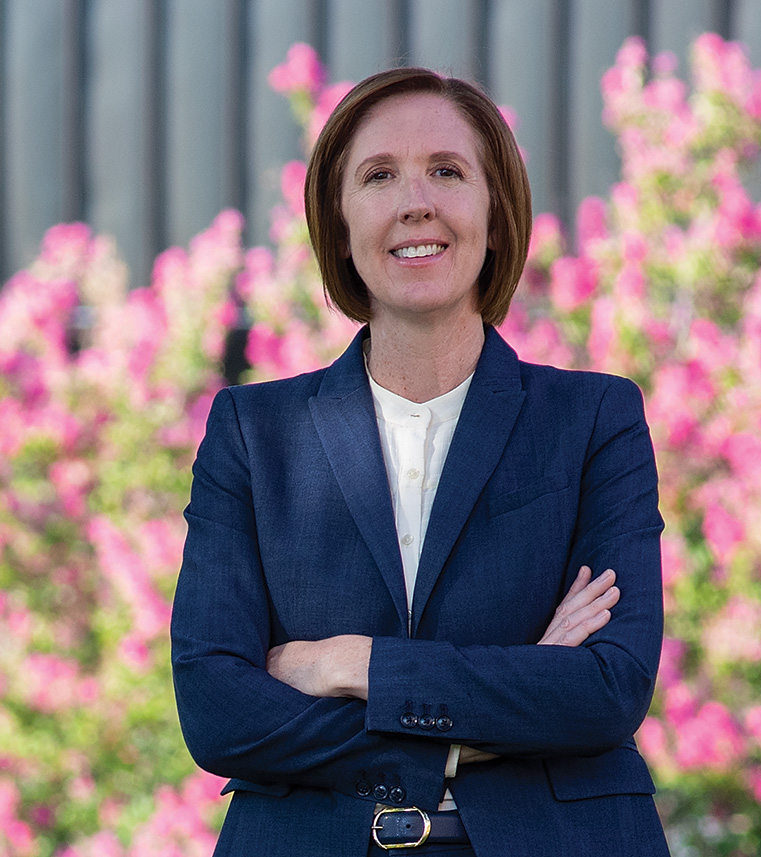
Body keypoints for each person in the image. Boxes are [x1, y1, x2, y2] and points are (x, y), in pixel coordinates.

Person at [171, 67, 668, 856]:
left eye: (447, 170)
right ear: (338, 226)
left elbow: (606, 688)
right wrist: (489, 710)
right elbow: (217, 707)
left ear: (495, 215)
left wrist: (351, 663)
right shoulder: (252, 432)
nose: (416, 201)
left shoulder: (594, 419)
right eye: (378, 176)